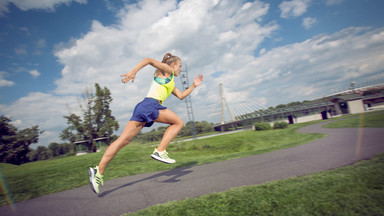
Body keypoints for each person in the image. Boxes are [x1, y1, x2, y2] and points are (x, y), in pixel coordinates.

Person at [88, 53, 204, 194]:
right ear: (173, 65)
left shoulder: (170, 81)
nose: (180, 69)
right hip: (151, 105)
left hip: (144, 107)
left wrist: (193, 85)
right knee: (178, 122)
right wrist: (133, 71)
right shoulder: (168, 71)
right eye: (180, 66)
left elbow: (181, 96)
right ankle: (160, 151)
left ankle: (98, 172)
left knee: (123, 141)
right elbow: (148, 60)